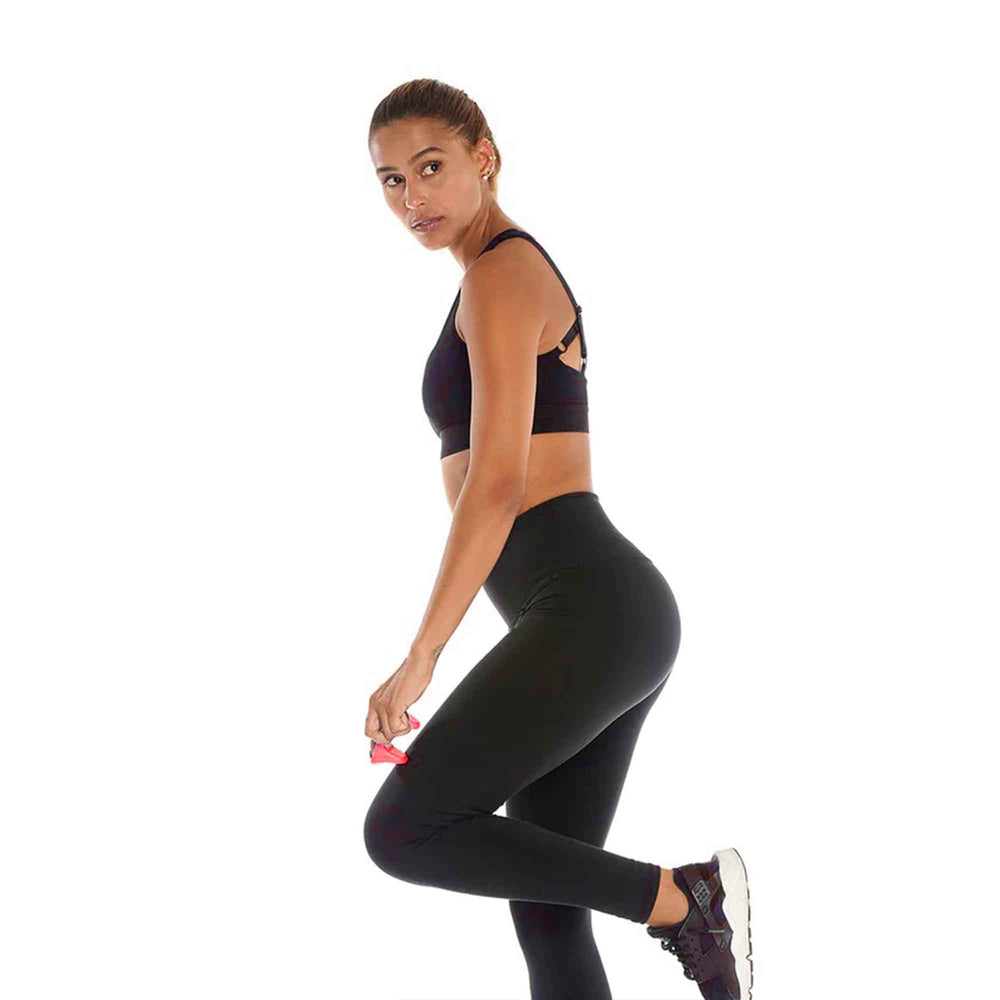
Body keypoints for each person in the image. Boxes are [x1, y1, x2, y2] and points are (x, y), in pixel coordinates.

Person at [362, 77, 753, 1000]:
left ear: (483, 156)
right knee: (547, 914)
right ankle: (686, 909)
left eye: (431, 167)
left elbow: (496, 486)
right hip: (595, 615)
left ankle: (685, 900)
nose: (412, 198)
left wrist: (421, 657)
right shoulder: (489, 276)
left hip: (590, 609)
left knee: (404, 832)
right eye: (391, 180)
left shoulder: (501, 272)